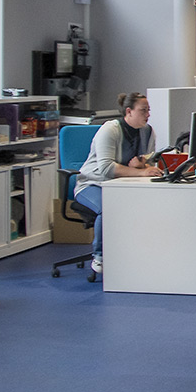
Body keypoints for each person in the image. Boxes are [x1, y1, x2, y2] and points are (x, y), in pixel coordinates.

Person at [73, 92, 161, 278]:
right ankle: (100, 257)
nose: (148, 115)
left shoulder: (147, 132)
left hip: (123, 185)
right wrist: (141, 171)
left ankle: (141, 253)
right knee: (108, 208)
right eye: (143, 110)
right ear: (129, 111)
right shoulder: (110, 130)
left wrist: (143, 166)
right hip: (92, 184)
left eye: (148, 110)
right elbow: (106, 168)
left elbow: (148, 162)